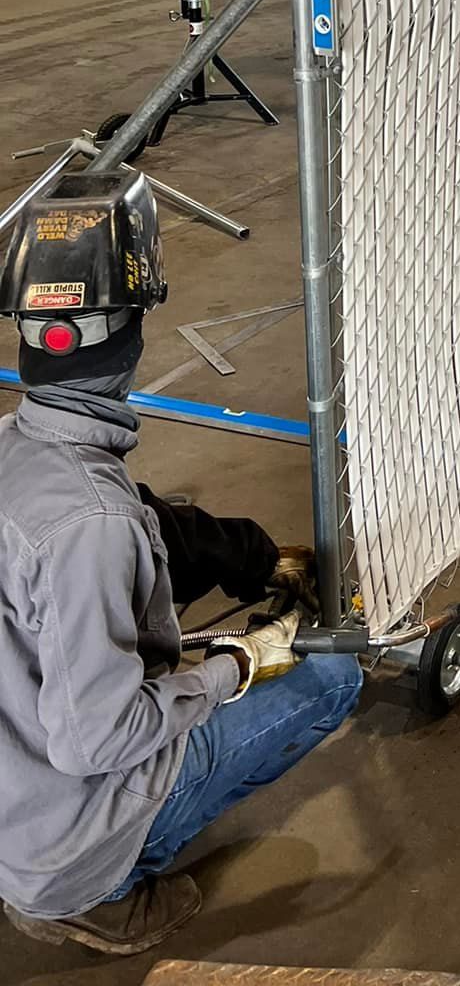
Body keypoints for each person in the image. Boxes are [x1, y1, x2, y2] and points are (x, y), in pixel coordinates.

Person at [0, 172, 364, 957]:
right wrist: (234, 665)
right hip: (60, 836)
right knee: (335, 679)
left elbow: (156, 526)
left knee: (151, 561)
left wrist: (257, 560)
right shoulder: (93, 525)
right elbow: (95, 743)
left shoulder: (16, 450)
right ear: (133, 334)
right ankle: (96, 894)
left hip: (13, 778)